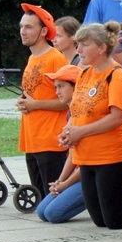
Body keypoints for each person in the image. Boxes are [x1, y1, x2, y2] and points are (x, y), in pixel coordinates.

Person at [60, 22, 122, 229]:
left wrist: (80, 132)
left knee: (114, 221)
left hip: (110, 154)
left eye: (84, 45)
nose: (78, 50)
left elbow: (116, 118)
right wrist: (68, 131)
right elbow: (77, 111)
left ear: (101, 48)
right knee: (100, 220)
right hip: (86, 155)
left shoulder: (116, 75)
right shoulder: (84, 73)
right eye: (78, 45)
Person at [17, 3, 68, 199]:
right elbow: (37, 92)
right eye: (22, 26)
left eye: (29, 27)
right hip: (32, 139)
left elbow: (67, 102)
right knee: (41, 202)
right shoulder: (31, 59)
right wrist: (24, 100)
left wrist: (35, 104)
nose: (23, 31)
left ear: (44, 31)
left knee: (51, 202)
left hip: (50, 140)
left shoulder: (56, 58)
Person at [36, 65, 86, 223]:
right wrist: (60, 181)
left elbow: (86, 161)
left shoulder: (84, 114)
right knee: (41, 211)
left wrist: (65, 184)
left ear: (75, 87)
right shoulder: (70, 112)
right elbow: (72, 154)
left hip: (89, 174)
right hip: (78, 174)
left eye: (61, 86)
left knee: (53, 214)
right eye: (55, 86)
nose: (56, 91)